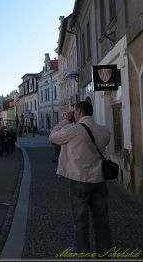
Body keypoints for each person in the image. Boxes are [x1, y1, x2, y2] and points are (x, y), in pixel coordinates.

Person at [49, 101, 112, 254]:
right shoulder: (104, 131)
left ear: (79, 112)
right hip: (99, 180)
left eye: (74, 111)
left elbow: (52, 137)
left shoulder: (73, 130)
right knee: (102, 222)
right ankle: (104, 255)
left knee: (81, 223)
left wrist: (65, 120)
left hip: (80, 181)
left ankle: (85, 256)